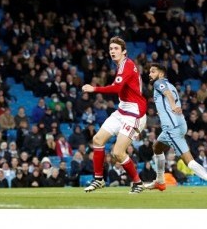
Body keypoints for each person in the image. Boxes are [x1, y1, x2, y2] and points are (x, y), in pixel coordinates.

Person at [81, 36, 147, 194]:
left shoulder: (127, 65)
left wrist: (94, 89)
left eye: (116, 48)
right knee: (97, 139)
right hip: (122, 110)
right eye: (111, 49)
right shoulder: (123, 65)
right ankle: (98, 180)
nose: (112, 51)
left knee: (117, 152)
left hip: (134, 114)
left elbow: (116, 88)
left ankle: (137, 183)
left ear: (124, 51)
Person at [145, 63, 207, 191]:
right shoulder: (171, 85)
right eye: (149, 72)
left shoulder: (159, 83)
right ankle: (160, 181)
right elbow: (168, 97)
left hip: (172, 128)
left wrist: (172, 106)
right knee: (157, 147)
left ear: (161, 74)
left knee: (188, 161)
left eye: (153, 71)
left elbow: (168, 94)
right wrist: (163, 110)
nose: (149, 74)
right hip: (179, 124)